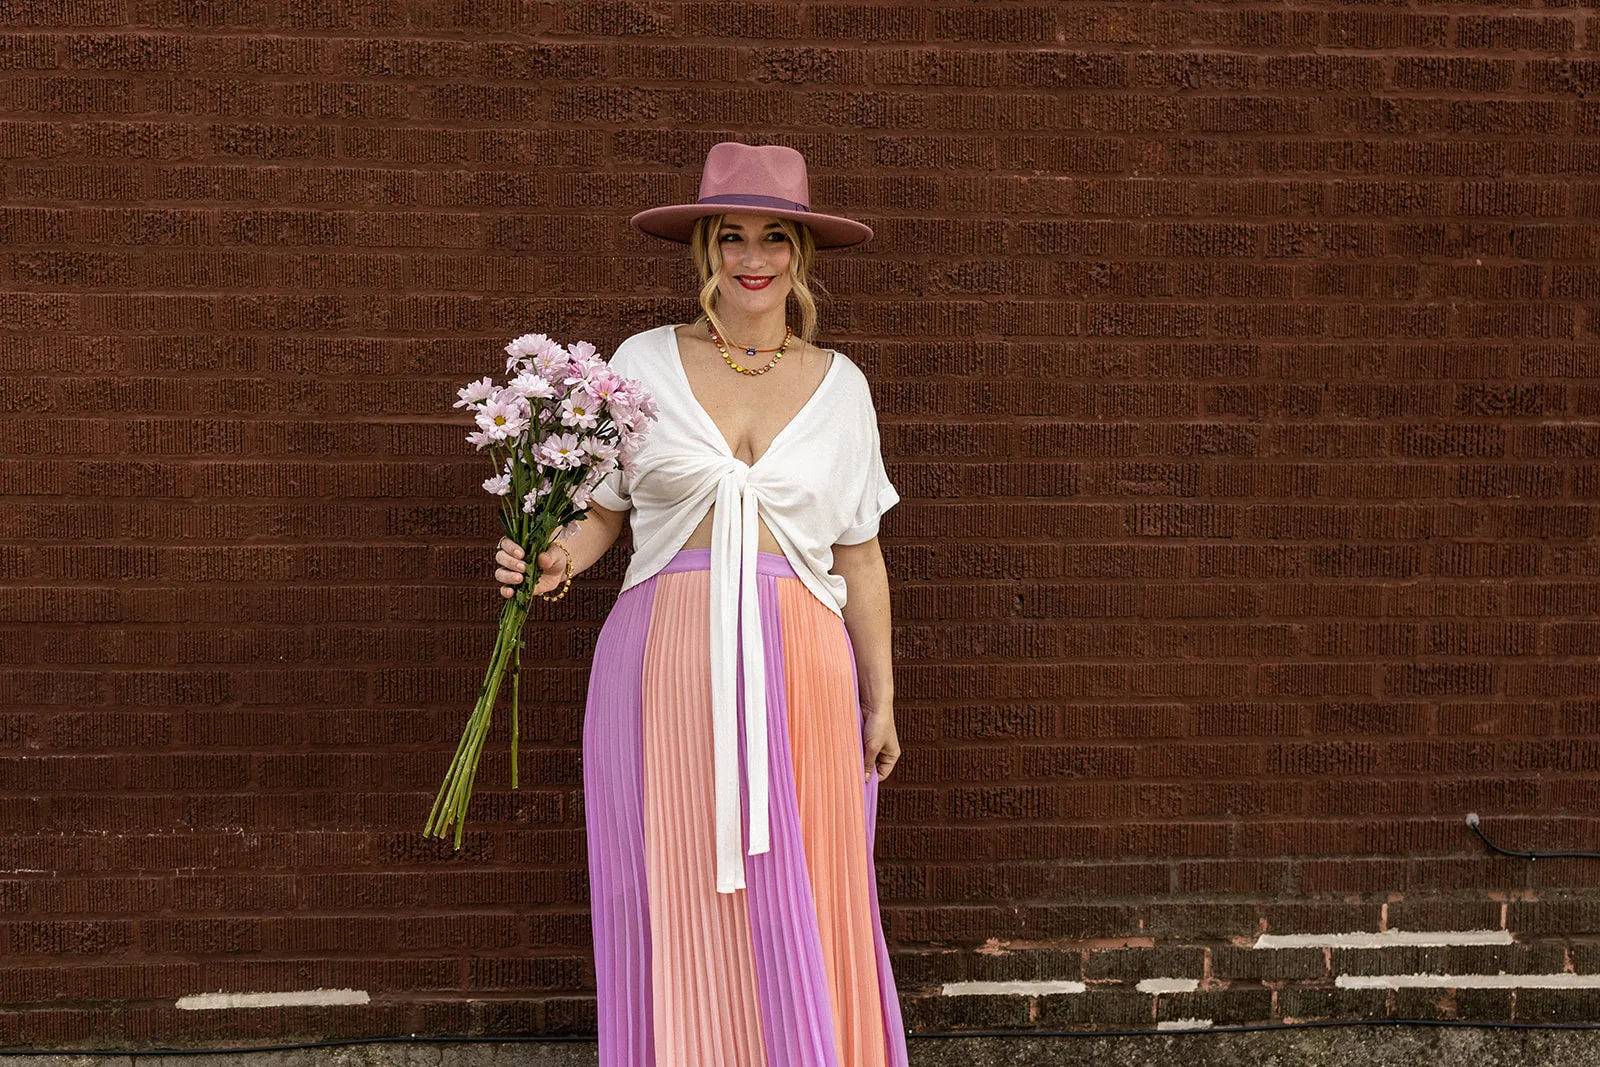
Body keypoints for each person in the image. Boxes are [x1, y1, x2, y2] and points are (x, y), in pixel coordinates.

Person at [491, 142, 908, 1066]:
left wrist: (879, 697)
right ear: (705, 250)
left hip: (802, 667)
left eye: (773, 237)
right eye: (731, 237)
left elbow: (860, 554)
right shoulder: (643, 362)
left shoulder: (843, 388)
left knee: (810, 890)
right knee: (675, 890)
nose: (751, 258)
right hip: (666, 661)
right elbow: (604, 510)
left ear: (800, 251)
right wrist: (556, 558)